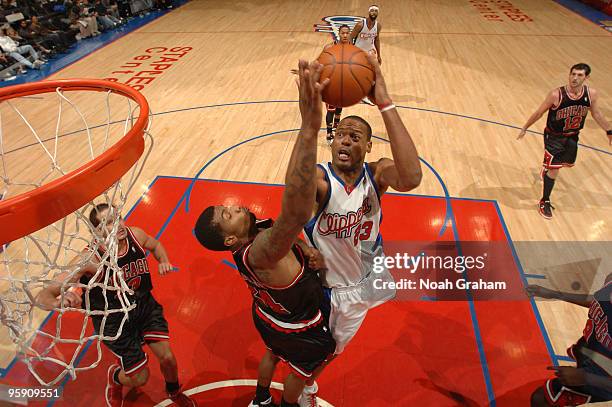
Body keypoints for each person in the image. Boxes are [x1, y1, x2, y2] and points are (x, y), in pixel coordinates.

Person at [194, 60, 336, 407]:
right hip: (296, 327)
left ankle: (259, 398)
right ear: (230, 239)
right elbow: (298, 212)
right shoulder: (261, 251)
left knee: (272, 355)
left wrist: (306, 250)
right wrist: (309, 128)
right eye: (228, 214)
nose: (236, 206)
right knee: (305, 371)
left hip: (268, 316)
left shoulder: (257, 235)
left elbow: (287, 227)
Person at [299, 52, 422, 404]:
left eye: (356, 136)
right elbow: (288, 215)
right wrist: (307, 249)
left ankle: (303, 379)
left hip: (367, 276)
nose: (347, 140)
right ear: (332, 142)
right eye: (341, 134)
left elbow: (412, 177)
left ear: (368, 147)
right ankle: (303, 390)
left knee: (330, 348)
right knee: (326, 350)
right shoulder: (321, 180)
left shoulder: (377, 174)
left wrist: (385, 103)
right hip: (331, 289)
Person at [36, 203, 196, 407]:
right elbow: (43, 295)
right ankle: (115, 377)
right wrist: (60, 301)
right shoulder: (90, 258)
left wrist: (163, 260)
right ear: (95, 232)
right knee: (140, 378)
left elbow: (155, 245)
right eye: (108, 222)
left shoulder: (135, 235)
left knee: (168, 358)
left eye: (118, 217)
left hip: (144, 305)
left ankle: (173, 393)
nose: (118, 225)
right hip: (113, 319)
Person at [517, 63, 612, 219]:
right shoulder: (556, 95)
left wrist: (609, 130)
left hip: (573, 136)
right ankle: (544, 201)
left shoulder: (591, 94)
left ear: (586, 78)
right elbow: (539, 112)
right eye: (573, 74)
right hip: (554, 137)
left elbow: (597, 114)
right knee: (555, 170)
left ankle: (546, 168)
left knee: (563, 165)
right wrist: (525, 127)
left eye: (579, 75)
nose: (574, 78)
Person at [527, 279, 612, 406]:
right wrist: (555, 294)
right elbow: (598, 300)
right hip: (591, 351)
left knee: (540, 399)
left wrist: (585, 377)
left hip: (602, 377)